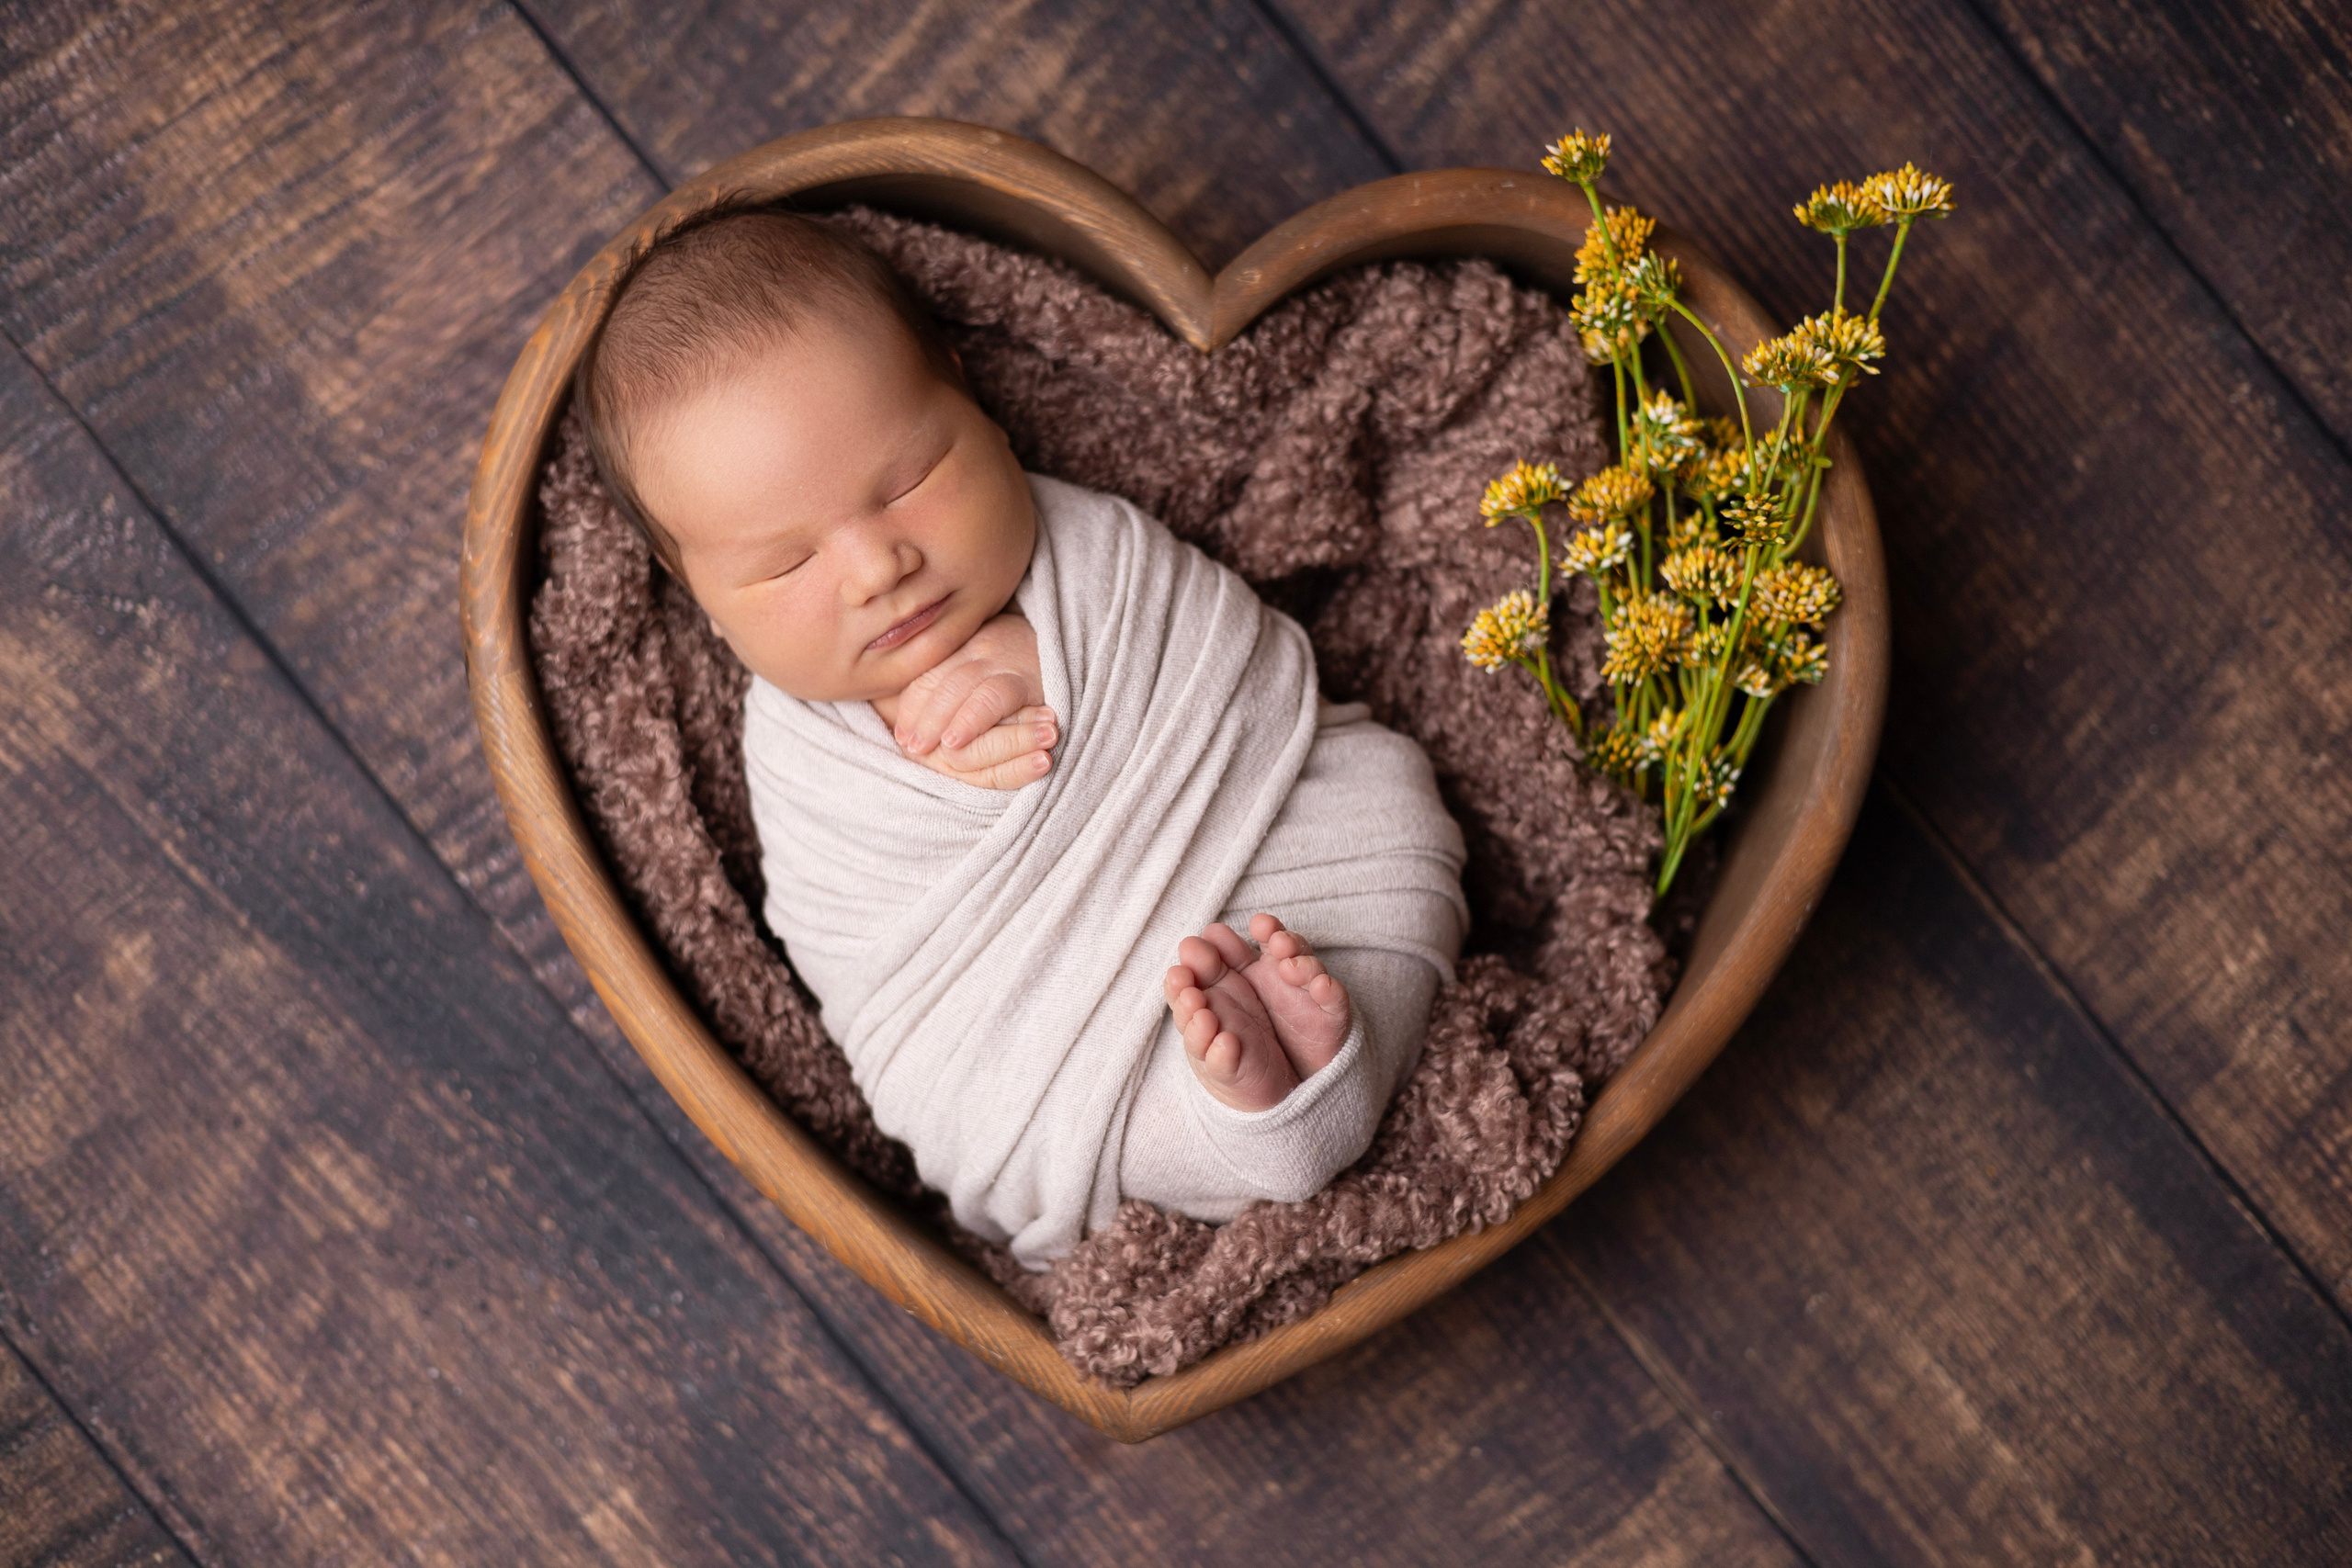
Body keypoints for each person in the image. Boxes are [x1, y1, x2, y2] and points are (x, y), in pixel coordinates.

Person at [576, 209, 1467, 1267]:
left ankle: (1313, 1067)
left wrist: (1051, 672)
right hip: (1055, 1041)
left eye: (907, 481)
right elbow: (868, 961)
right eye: (784, 566)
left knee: (1387, 801)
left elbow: (1233, 656)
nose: (876, 569)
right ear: (702, 597)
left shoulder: (1090, 550)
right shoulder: (795, 759)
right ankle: (1269, 1113)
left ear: (974, 401)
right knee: (1078, 1134)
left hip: (1293, 864)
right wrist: (948, 802)